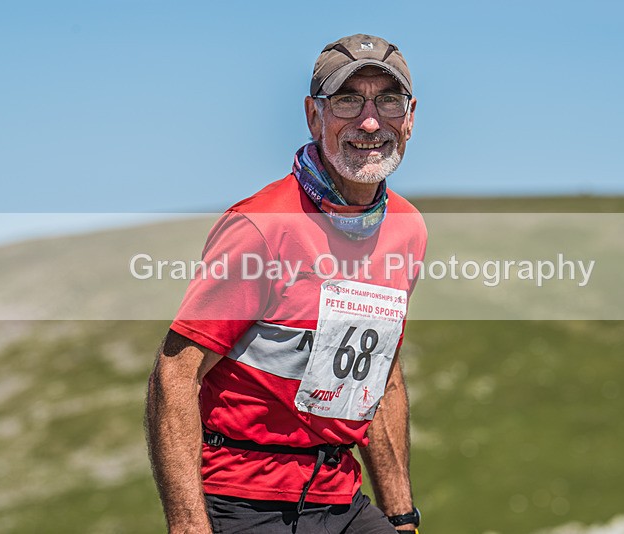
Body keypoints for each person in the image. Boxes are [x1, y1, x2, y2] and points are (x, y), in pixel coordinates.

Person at [145, 34, 426, 534]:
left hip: (341, 496)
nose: (369, 120)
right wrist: (189, 526)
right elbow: (175, 374)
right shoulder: (261, 226)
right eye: (346, 99)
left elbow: (381, 376)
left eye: (387, 100)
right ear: (313, 116)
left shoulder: (408, 229)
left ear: (409, 117)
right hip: (243, 501)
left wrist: (401, 516)